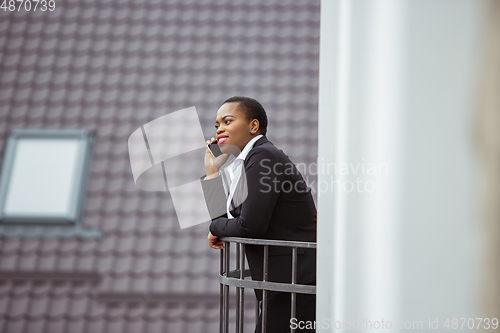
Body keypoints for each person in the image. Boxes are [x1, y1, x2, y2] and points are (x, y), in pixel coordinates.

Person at [200, 96, 317, 333]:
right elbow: (230, 219)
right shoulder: (250, 160)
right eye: (216, 125)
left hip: (295, 281)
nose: (220, 128)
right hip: (283, 282)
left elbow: (249, 226)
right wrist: (212, 172)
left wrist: (216, 228)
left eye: (228, 121)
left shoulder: (263, 157)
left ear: (253, 126)